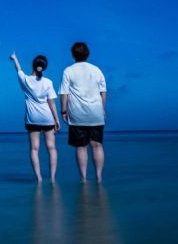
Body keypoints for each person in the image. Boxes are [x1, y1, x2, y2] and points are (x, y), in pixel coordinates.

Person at [59, 42, 107, 183]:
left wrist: (63, 110)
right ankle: (98, 177)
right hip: (96, 113)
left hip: (77, 114)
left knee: (81, 147)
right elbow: (103, 93)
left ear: (73, 55)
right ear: (88, 54)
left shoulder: (68, 70)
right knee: (97, 145)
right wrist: (102, 109)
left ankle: (84, 179)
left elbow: (64, 93)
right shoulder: (97, 70)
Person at [10, 51, 60, 182]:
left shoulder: (25, 80)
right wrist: (56, 119)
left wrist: (15, 58)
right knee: (52, 148)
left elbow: (19, 69)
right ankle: (53, 178)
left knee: (34, 148)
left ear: (33, 65)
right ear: (44, 67)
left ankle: (39, 178)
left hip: (33, 119)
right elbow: (51, 102)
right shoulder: (48, 82)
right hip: (47, 118)